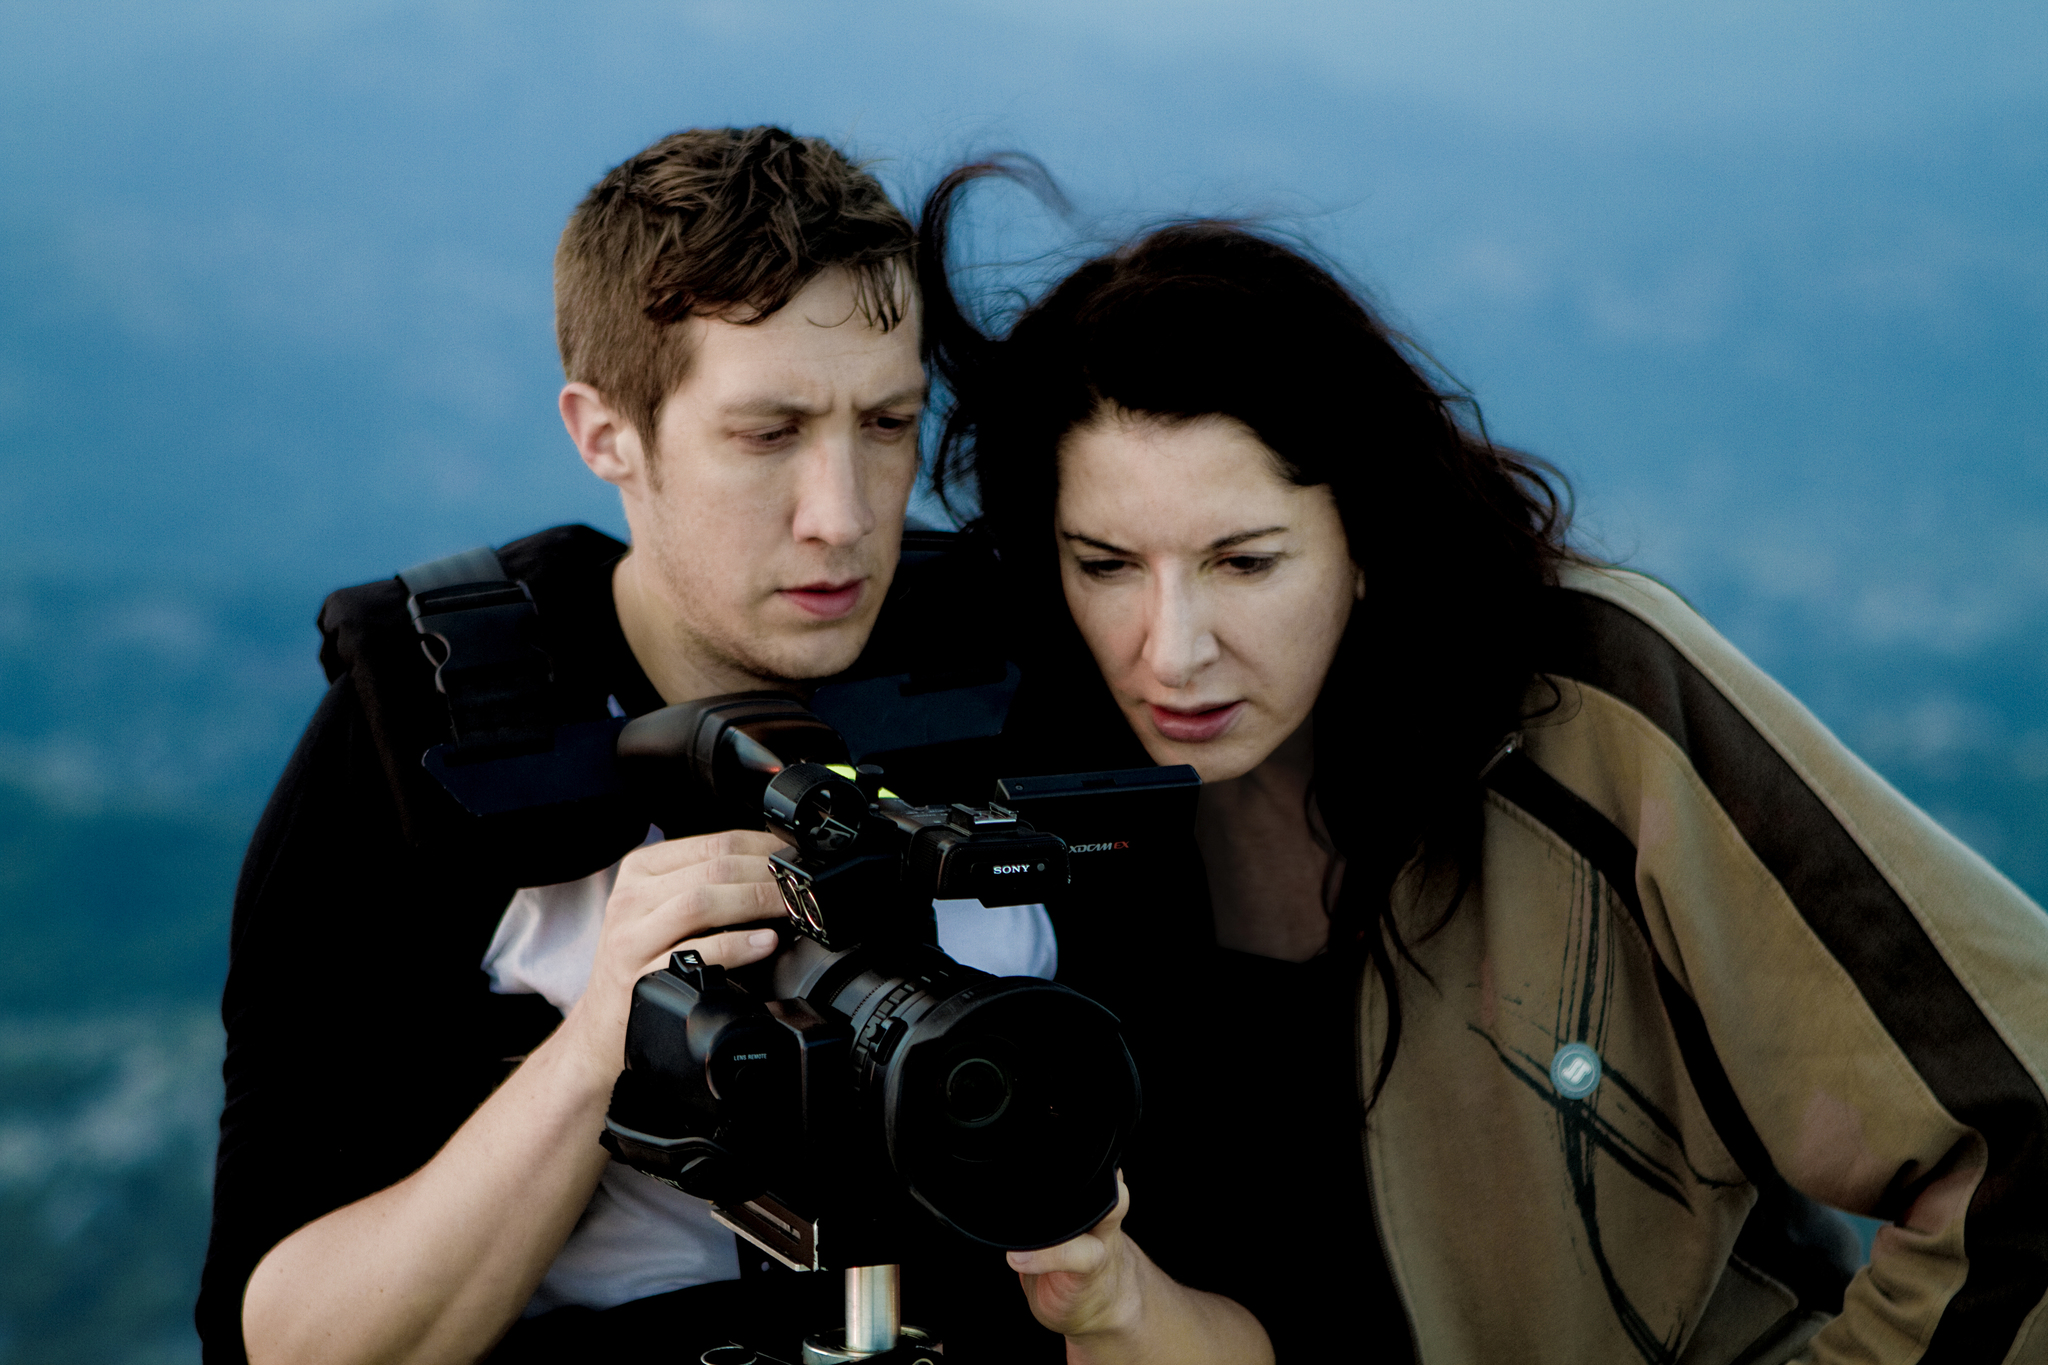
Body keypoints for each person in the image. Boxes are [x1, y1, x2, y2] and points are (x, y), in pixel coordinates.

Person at [917, 165, 2048, 1364]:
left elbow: (2021, 1128)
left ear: (1366, 540)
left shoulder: (1589, 709)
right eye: (1104, 565)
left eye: (1244, 563)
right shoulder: (1032, 795)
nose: (1172, 650)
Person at [199, 127, 1058, 1365]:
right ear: (605, 435)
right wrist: (604, 1031)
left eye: (887, 423)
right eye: (766, 435)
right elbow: (281, 1339)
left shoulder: (1006, 675)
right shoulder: (428, 744)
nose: (844, 514)